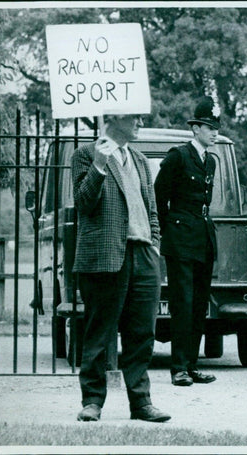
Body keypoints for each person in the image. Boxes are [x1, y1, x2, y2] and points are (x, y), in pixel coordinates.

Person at [72, 114, 170, 422]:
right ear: (115, 118)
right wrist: (100, 166)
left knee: (141, 333)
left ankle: (140, 403)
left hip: (143, 254)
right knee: (99, 333)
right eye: (135, 117)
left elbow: (152, 209)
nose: (140, 122)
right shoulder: (85, 154)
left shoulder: (140, 159)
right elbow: (83, 203)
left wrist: (154, 243)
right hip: (105, 257)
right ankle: (92, 402)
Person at [154, 96, 219, 387]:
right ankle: (178, 367)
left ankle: (191, 364)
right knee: (183, 302)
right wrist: (168, 230)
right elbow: (159, 195)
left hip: (202, 238)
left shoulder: (211, 161)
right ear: (195, 129)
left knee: (199, 304)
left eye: (216, 127)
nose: (214, 132)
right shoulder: (178, 156)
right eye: (208, 127)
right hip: (180, 239)